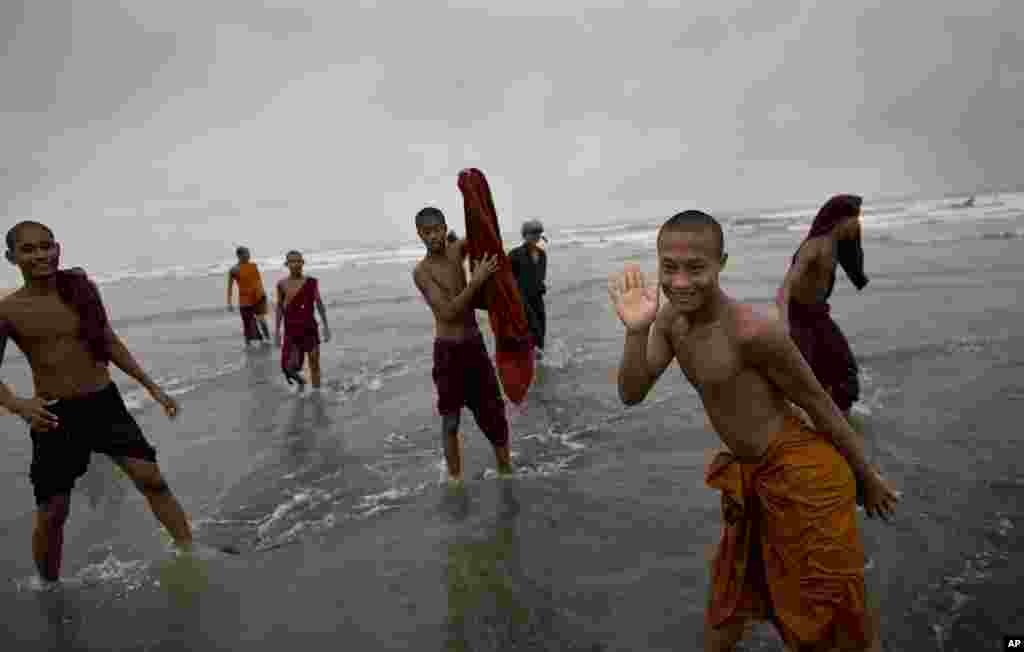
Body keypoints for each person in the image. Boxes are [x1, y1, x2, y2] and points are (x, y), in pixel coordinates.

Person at [608, 210, 899, 651]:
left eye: (695, 268)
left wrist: (867, 476)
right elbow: (631, 393)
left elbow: (819, 405)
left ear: (721, 263)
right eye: (669, 268)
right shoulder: (670, 322)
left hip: (805, 478)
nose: (680, 282)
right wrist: (636, 331)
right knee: (729, 602)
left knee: (835, 616)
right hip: (750, 479)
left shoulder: (753, 332)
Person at [0, 221, 193, 583]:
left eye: (46, 246)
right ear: (11, 257)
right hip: (55, 415)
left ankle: (190, 552)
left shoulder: (81, 291)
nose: (40, 255)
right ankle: (48, 587)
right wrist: (18, 404)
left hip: (104, 404)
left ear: (58, 248)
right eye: (28, 249)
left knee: (151, 479)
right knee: (53, 512)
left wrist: (152, 387)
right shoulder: (8, 310)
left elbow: (108, 341)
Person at [412, 206, 513, 481]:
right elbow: (447, 312)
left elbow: (486, 236)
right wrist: (476, 281)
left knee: (493, 412)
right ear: (419, 234)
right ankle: (455, 479)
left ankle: (505, 470)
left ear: (445, 229)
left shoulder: (457, 250)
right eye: (427, 232)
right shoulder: (422, 272)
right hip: (447, 352)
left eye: (437, 230)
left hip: (474, 346)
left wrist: (476, 199)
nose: (433, 236)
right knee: (450, 420)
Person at [776, 195, 868, 418]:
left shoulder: (836, 245)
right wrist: (784, 324)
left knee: (845, 373)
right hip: (798, 317)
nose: (858, 224)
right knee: (802, 376)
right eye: (855, 219)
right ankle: (788, 420)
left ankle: (839, 421)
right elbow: (785, 288)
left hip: (819, 316)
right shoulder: (813, 247)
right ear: (840, 220)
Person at [274, 250, 330, 390]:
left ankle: (317, 394)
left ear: (302, 263)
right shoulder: (281, 284)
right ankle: (302, 383)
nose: (295, 264)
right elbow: (280, 307)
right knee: (288, 367)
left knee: (314, 364)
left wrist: (326, 326)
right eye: (292, 261)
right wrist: (277, 331)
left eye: (298, 261)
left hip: (310, 328)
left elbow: (319, 304)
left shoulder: (311, 282)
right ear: (287, 264)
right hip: (292, 330)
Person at [508, 219, 548, 354]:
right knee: (530, 332)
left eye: (539, 232)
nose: (537, 235)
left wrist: (540, 286)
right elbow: (508, 278)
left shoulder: (542, 254)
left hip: (537, 298)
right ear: (525, 235)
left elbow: (540, 276)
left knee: (541, 331)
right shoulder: (514, 254)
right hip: (522, 300)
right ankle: (529, 358)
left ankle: (539, 361)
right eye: (533, 232)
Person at [227, 246, 271, 346]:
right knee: (247, 323)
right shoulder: (234, 270)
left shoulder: (253, 265)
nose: (249, 255)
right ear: (239, 255)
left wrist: (263, 293)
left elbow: (258, 280)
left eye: (249, 253)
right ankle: (248, 344)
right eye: (246, 253)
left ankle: (268, 339)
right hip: (245, 300)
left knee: (262, 320)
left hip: (258, 297)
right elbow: (230, 287)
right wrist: (229, 302)